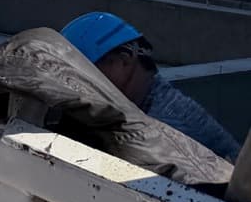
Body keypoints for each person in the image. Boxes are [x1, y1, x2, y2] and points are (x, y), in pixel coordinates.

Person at [61, 11, 241, 160]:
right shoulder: (138, 106)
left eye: (85, 72)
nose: (77, 84)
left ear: (124, 60)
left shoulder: (168, 130)